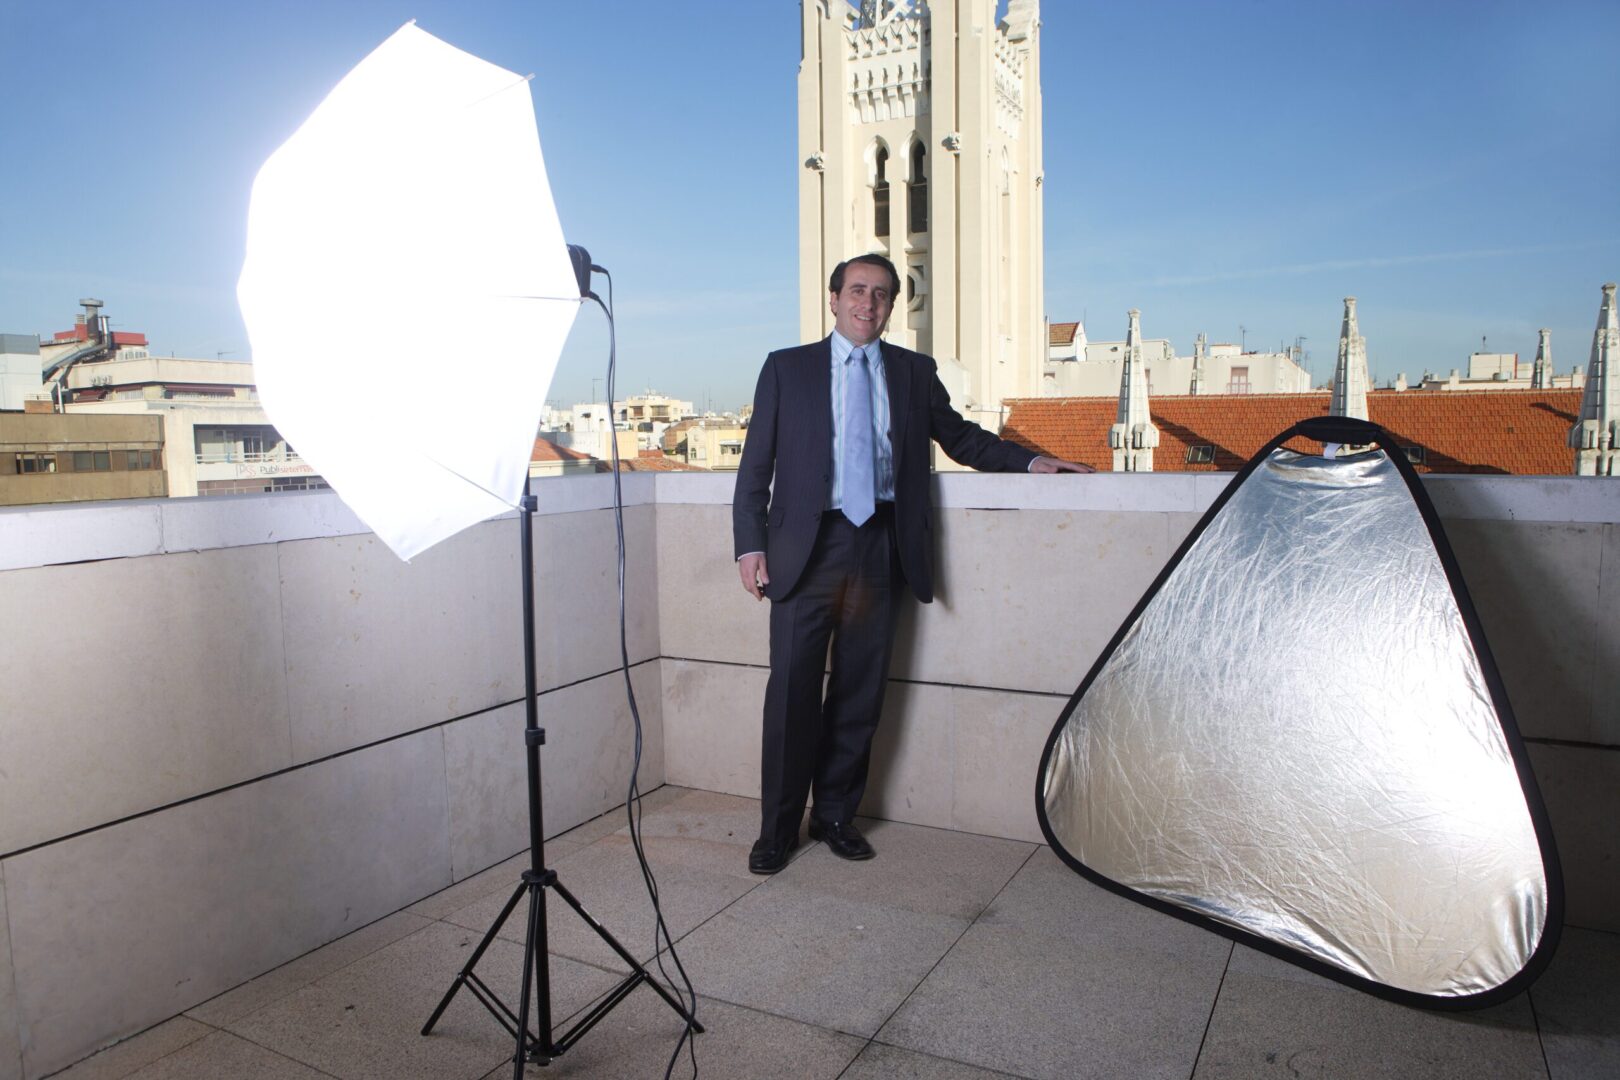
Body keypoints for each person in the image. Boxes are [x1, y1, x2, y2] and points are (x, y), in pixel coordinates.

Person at [733, 253, 1091, 874]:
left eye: (880, 294)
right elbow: (754, 467)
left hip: (881, 547)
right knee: (790, 693)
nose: (866, 303)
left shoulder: (913, 372)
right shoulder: (786, 369)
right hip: (804, 554)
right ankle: (776, 830)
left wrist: (1033, 462)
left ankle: (835, 816)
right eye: (856, 291)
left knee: (859, 691)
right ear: (834, 298)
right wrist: (749, 543)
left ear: (892, 306)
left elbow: (963, 438)